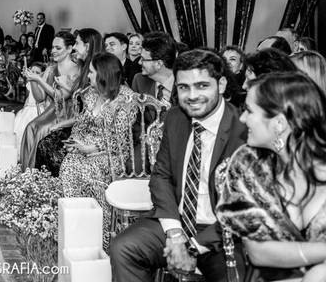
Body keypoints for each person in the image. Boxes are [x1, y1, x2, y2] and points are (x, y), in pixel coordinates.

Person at [110, 49, 248, 282]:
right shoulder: (176, 118)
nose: (192, 96)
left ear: (221, 84)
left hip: (220, 232)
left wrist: (191, 248)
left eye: (202, 86)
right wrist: (174, 233)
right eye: (184, 87)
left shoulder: (242, 129)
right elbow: (161, 176)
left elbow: (241, 209)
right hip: (177, 220)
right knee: (124, 247)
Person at [216, 72, 326, 282]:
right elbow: (258, 252)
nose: (242, 118)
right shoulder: (248, 164)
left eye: (249, 111)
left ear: (279, 123)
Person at [58, 53, 136, 246]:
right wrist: (75, 141)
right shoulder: (91, 94)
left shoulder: (126, 99)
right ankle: (77, 228)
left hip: (111, 153)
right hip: (85, 146)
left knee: (86, 171)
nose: (88, 76)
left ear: (103, 74)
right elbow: (81, 124)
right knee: (68, 165)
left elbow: (120, 140)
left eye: (92, 72)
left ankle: (101, 236)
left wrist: (92, 148)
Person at [19, 30, 84, 169]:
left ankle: (39, 172)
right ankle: (29, 173)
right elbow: (40, 98)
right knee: (30, 127)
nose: (53, 51)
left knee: (41, 130)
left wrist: (39, 80)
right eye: (53, 47)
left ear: (69, 49)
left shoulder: (76, 69)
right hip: (52, 111)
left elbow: (61, 97)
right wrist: (32, 80)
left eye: (58, 48)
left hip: (68, 113)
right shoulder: (50, 69)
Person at [132, 32, 178, 106]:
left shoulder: (185, 84)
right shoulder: (139, 81)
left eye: (143, 59)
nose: (139, 62)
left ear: (159, 64)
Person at [13, 62, 46, 149]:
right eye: (32, 72)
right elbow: (28, 99)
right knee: (19, 130)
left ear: (42, 74)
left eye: (37, 73)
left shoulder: (42, 84)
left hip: (37, 110)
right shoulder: (29, 83)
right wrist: (24, 108)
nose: (34, 74)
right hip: (27, 110)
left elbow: (39, 98)